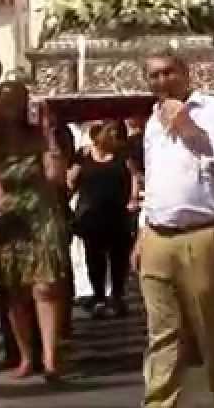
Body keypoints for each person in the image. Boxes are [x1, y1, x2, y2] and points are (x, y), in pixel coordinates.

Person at [135, 48, 214, 407]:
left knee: (213, 329)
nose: (162, 81)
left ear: (186, 73)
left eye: (168, 72)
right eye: (154, 75)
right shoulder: (152, 120)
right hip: (158, 234)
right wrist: (142, 232)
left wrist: (188, 128)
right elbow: (153, 179)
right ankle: (160, 401)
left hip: (202, 234)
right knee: (162, 332)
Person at [0, 80, 68, 382]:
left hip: (41, 217)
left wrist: (48, 133)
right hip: (7, 220)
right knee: (15, 292)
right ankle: (26, 357)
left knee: (45, 287)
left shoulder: (39, 137)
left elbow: (56, 177)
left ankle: (50, 359)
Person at [69, 120, 135, 318]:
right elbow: (72, 180)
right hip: (92, 216)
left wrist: (132, 199)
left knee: (119, 258)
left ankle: (117, 296)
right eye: (110, 131)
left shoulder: (123, 156)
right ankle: (98, 297)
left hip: (118, 215)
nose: (114, 136)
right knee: (94, 258)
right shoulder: (84, 156)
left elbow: (133, 178)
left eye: (117, 132)